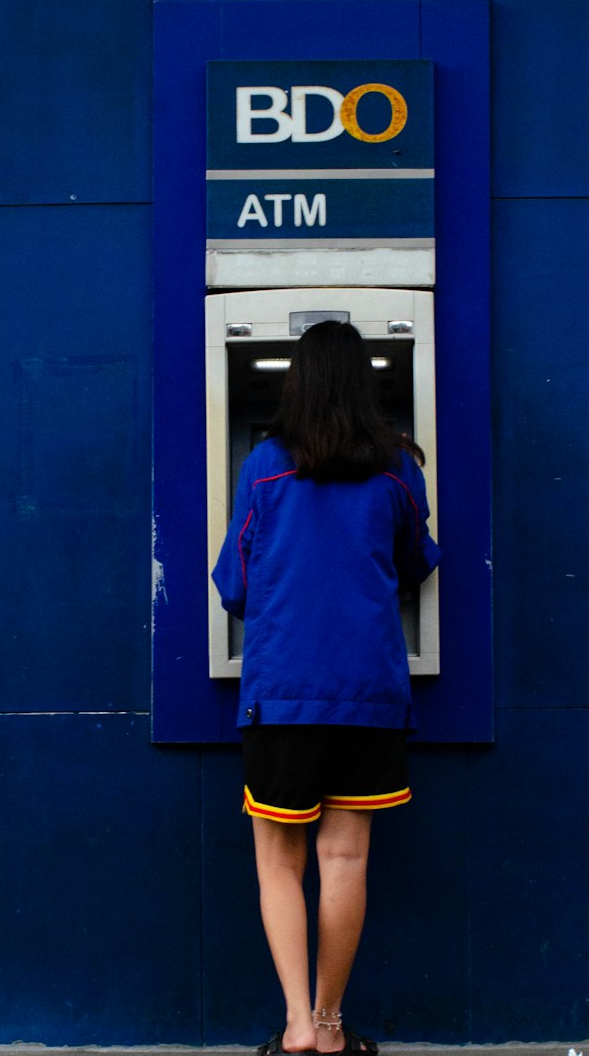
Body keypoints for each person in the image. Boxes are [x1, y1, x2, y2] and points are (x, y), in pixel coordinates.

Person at [212, 320, 440, 1056]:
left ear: (296, 382)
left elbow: (235, 584)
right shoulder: (399, 468)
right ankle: (335, 1025)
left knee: (280, 859)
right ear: (367, 383)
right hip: (369, 690)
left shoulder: (265, 465)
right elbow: (415, 563)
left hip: (284, 692)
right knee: (345, 858)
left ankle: (297, 1025)